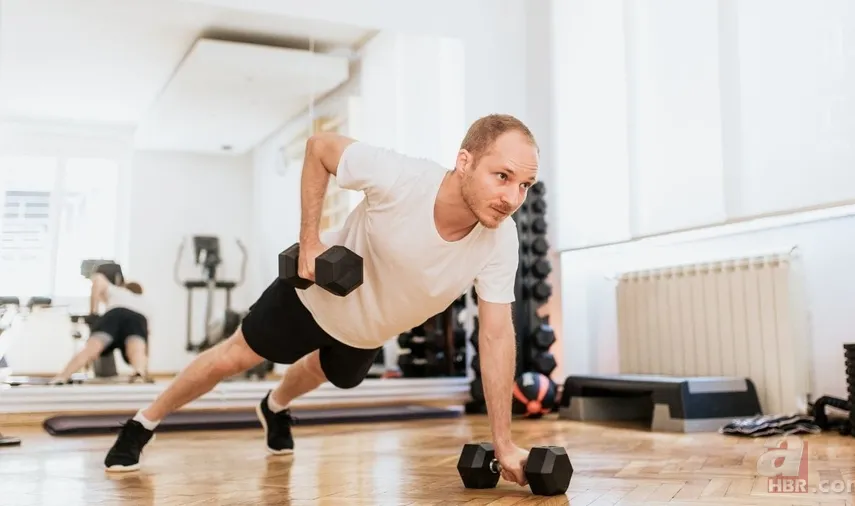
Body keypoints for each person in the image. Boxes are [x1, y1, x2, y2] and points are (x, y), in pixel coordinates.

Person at [103, 113, 540, 487]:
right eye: (502, 176)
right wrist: (309, 240)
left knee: (324, 370)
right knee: (231, 358)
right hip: (314, 299)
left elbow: (497, 334)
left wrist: (503, 442)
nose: (512, 199)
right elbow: (319, 148)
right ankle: (143, 422)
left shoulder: (501, 241)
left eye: (524, 185)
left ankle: (274, 405)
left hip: (367, 331)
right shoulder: (403, 178)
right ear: (464, 161)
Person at [51, 273, 152, 384]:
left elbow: (98, 279)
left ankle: (63, 376)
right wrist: (146, 370)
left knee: (90, 350)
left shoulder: (118, 291)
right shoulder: (146, 302)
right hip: (138, 319)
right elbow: (147, 337)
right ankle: (139, 374)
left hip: (115, 314)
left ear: (124, 287)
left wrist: (93, 312)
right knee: (136, 352)